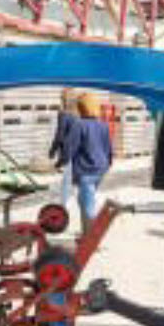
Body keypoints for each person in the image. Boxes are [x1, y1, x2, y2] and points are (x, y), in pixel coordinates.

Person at [67, 92, 114, 232]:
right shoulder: (103, 125)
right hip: (101, 168)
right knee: (85, 200)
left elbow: (71, 147)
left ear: (81, 107)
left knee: (87, 206)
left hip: (86, 170)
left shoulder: (79, 125)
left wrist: (64, 162)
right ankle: (86, 233)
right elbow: (108, 148)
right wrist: (107, 164)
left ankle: (91, 237)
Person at [48, 90, 80, 207]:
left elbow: (59, 135)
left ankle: (63, 205)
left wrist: (52, 150)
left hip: (67, 150)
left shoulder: (63, 114)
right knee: (73, 178)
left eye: (61, 98)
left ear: (64, 100)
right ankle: (76, 202)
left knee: (66, 179)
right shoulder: (78, 114)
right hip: (78, 150)